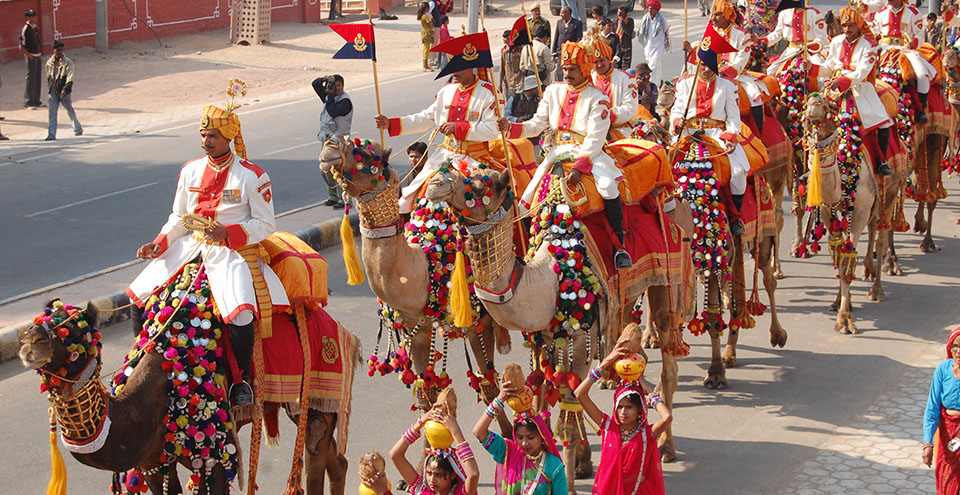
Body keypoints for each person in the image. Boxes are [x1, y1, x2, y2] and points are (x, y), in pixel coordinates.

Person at [128, 102, 287, 407]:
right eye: (203, 135)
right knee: (138, 294)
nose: (206, 141)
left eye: (212, 135)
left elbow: (266, 224)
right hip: (191, 247)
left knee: (240, 314)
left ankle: (241, 381)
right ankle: (140, 359)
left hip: (232, 255)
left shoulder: (253, 175)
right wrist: (158, 244)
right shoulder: (190, 170)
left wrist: (228, 233)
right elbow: (178, 216)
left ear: (229, 137)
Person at [499, 41, 633, 268]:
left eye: (572, 69)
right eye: (565, 68)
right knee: (525, 204)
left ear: (583, 69)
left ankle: (618, 248)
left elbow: (595, 138)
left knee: (609, 186)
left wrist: (580, 168)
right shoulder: (553, 91)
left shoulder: (597, 98)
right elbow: (536, 125)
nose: (567, 73)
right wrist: (510, 128)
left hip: (587, 153)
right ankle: (528, 252)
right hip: (556, 153)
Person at [375, 68, 501, 213]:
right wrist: (391, 124)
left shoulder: (488, 93)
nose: (454, 71)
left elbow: (493, 130)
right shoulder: (446, 91)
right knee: (419, 195)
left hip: (475, 158)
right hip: (444, 157)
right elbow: (427, 118)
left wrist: (458, 127)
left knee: (490, 199)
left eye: (459, 66)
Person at [574, 340, 670, 495]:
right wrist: (605, 363)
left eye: (629, 407)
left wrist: (650, 393)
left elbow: (666, 418)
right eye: (620, 406)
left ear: (640, 410)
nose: (623, 412)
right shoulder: (608, 427)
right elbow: (579, 394)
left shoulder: (646, 434)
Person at [670, 52, 751, 235]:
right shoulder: (684, 84)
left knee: (738, 173)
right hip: (689, 134)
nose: (706, 69)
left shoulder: (727, 86)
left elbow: (733, 117)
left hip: (717, 135)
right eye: (703, 65)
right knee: (667, 166)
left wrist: (730, 137)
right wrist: (677, 122)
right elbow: (675, 111)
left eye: (710, 65)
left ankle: (735, 217)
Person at [815, 9, 895, 176]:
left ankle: (882, 161)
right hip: (834, 87)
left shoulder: (869, 45)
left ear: (858, 25)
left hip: (860, 88)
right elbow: (828, 67)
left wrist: (842, 82)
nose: (847, 30)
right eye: (844, 26)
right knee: (813, 114)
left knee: (882, 120)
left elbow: (862, 72)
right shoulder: (836, 42)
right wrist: (813, 68)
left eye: (850, 26)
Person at [683, 0, 769, 134]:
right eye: (712, 14)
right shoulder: (712, 32)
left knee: (755, 96)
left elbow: (741, 61)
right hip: (709, 71)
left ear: (726, 16)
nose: (713, 18)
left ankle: (759, 136)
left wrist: (723, 71)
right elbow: (703, 54)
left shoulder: (742, 35)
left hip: (736, 75)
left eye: (717, 15)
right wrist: (690, 51)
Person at [472, 379, 566, 495]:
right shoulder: (508, 451)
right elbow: (479, 432)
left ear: (542, 437)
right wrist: (499, 400)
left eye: (530, 438)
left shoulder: (554, 466)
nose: (524, 443)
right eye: (520, 438)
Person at [872, 0, 937, 122]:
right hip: (885, 50)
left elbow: (920, 36)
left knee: (922, 75)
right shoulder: (880, 13)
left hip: (906, 50)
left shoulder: (913, 12)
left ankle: (921, 110)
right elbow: (872, 33)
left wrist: (913, 42)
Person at [390, 408, 480, 495]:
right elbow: (395, 454)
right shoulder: (421, 489)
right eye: (429, 473)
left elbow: (474, 474)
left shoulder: (460, 493)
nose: (432, 480)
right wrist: (421, 422)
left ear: (452, 475)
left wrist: (455, 431)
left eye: (439, 475)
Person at [923, 327, 960, 493]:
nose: (958, 351)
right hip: (947, 435)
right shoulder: (943, 370)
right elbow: (932, 408)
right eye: (955, 346)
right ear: (949, 347)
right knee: (947, 482)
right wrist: (927, 443)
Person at [313, 74, 353, 208]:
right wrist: (324, 80)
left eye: (338, 86)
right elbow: (315, 84)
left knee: (339, 170)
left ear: (343, 85)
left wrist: (329, 95)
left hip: (339, 140)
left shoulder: (345, 101)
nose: (335, 88)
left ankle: (344, 199)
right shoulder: (330, 96)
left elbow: (333, 111)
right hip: (327, 139)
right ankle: (333, 196)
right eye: (333, 85)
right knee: (325, 169)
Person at [759, 4, 829, 78]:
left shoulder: (814, 13)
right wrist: (760, 41)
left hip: (811, 51)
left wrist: (809, 45)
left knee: (822, 76)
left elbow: (822, 38)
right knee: (770, 71)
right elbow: (777, 34)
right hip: (791, 51)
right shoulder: (784, 13)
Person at [590, 37, 638, 141]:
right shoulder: (589, 79)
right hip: (592, 131)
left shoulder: (626, 79)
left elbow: (631, 108)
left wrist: (607, 116)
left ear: (608, 58)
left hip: (619, 130)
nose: (599, 65)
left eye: (602, 60)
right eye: (595, 62)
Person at [44, 41, 83, 141]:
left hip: (64, 91)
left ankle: (77, 128)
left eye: (61, 50)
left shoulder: (68, 63)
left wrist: (66, 89)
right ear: (54, 50)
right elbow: (49, 77)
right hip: (53, 92)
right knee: (52, 113)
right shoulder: (49, 63)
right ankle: (51, 134)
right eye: (58, 50)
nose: (60, 52)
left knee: (69, 110)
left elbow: (70, 77)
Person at [636, 0, 668, 86]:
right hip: (648, 46)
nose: (650, 10)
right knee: (657, 67)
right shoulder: (645, 19)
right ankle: (657, 83)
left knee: (653, 66)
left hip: (658, 46)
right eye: (649, 8)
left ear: (656, 10)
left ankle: (651, 83)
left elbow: (665, 30)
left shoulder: (662, 20)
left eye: (652, 9)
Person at [553, 6, 584, 81]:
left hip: (571, 53)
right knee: (558, 71)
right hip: (560, 51)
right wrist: (553, 52)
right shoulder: (559, 22)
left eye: (562, 13)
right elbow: (556, 37)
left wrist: (575, 49)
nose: (561, 14)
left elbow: (579, 38)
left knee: (569, 72)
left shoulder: (577, 23)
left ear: (568, 13)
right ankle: (559, 84)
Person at [20, 9, 43, 109]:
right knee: (31, 79)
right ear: (28, 18)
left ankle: (37, 100)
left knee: (37, 78)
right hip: (32, 56)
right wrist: (29, 56)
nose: (35, 18)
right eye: (32, 16)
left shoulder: (35, 28)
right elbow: (21, 46)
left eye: (35, 16)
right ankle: (29, 102)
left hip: (38, 55)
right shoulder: (26, 29)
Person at [501, 32, 525, 100]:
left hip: (520, 81)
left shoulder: (521, 51)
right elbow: (502, 69)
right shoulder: (505, 52)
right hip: (509, 82)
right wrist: (500, 84)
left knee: (520, 102)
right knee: (509, 103)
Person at [420, 3, 435, 72]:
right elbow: (430, 25)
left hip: (425, 34)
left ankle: (425, 65)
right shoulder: (425, 16)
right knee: (426, 50)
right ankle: (425, 66)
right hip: (427, 34)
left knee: (426, 49)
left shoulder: (423, 16)